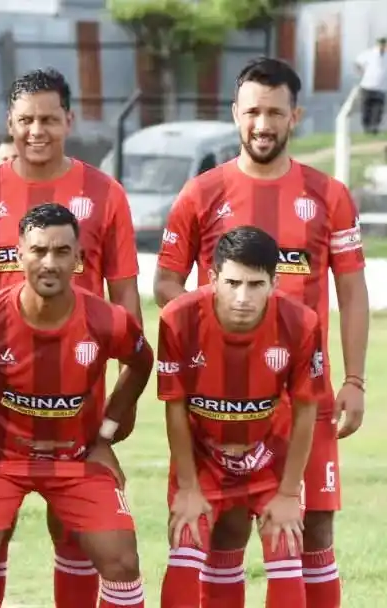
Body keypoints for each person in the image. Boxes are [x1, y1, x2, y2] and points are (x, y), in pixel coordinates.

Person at [154, 57, 368, 608]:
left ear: (295, 115)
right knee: (225, 529)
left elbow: (351, 290)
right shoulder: (202, 192)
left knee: (310, 530)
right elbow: (167, 283)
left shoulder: (329, 194)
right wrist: (218, 345)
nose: (263, 123)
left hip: (305, 397)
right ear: (235, 114)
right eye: (253, 111)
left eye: (275, 111)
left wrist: (356, 379)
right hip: (223, 401)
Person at [0, 68, 142, 608]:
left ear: (69, 121)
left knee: (75, 530)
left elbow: (126, 301)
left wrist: (120, 407)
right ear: (9, 121)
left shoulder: (105, 193)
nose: (37, 130)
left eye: (49, 119)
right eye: (26, 119)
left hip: (77, 380)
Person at [158, 226, 324, 608]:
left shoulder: (301, 323)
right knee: (186, 543)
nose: (242, 297)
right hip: (202, 461)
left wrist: (287, 493)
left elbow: (305, 409)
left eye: (255, 284)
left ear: (274, 282)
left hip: (269, 460)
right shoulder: (178, 319)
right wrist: (187, 486)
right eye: (232, 282)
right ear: (213, 278)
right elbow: (175, 405)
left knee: (285, 547)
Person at [355, 37, 387, 135]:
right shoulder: (369, 54)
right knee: (366, 109)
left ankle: (374, 129)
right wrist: (361, 73)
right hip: (367, 85)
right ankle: (366, 128)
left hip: (381, 87)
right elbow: (357, 63)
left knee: (377, 110)